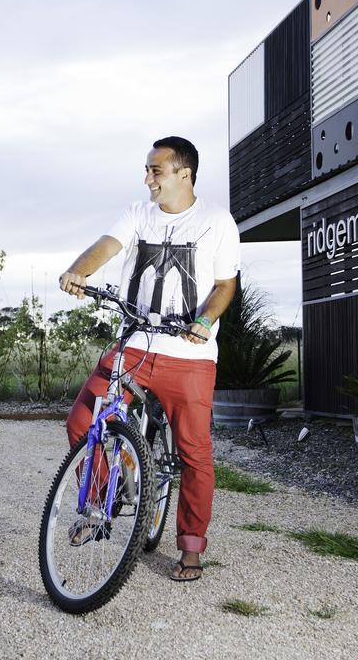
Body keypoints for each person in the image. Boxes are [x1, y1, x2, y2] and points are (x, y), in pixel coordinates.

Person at [59, 136, 239, 582]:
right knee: (83, 422)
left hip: (188, 355)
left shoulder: (217, 221)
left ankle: (191, 546)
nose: (148, 179)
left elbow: (224, 286)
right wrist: (80, 270)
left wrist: (206, 320)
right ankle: (102, 502)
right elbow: (106, 245)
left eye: (155, 171)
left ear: (184, 173)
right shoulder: (139, 214)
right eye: (148, 170)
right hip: (134, 346)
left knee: (195, 452)